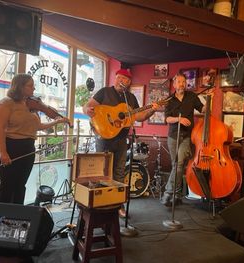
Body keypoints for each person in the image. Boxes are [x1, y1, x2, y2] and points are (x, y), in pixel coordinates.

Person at [83, 69, 159, 217]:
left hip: (121, 140)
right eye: (119, 78)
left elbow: (139, 116)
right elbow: (87, 106)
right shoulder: (104, 92)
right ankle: (100, 204)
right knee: (103, 172)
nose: (121, 81)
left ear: (129, 83)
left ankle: (118, 205)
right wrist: (87, 110)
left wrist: (151, 111)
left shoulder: (130, 97)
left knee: (119, 172)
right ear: (115, 79)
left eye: (124, 79)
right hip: (104, 139)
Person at [0, 73, 70, 204]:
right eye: (30, 86)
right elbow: (0, 129)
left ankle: (17, 216)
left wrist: (57, 122)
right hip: (11, 146)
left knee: (20, 185)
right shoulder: (6, 103)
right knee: (7, 185)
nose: (34, 89)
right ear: (20, 87)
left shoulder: (30, 105)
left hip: (28, 147)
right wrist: (3, 152)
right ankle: (0, 218)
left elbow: (38, 126)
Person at [161, 72, 209, 207]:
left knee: (179, 164)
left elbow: (202, 109)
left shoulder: (192, 96)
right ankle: (177, 195)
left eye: (183, 81)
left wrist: (210, 101)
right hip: (172, 137)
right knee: (176, 165)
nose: (182, 84)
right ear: (174, 84)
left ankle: (167, 194)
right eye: (179, 82)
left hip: (187, 136)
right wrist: (179, 119)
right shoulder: (169, 100)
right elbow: (167, 119)